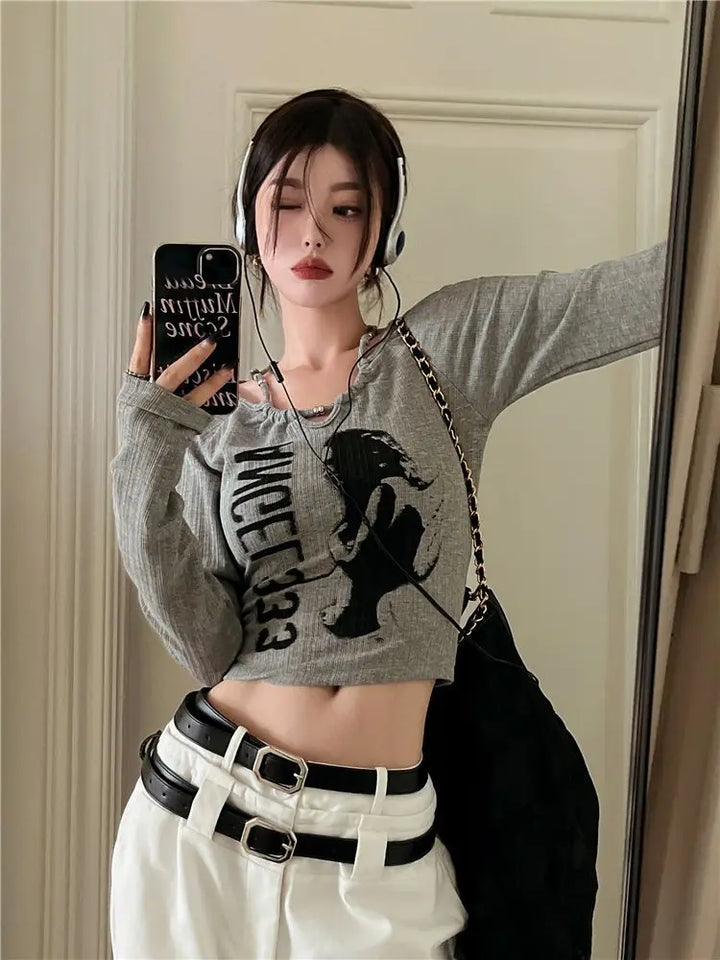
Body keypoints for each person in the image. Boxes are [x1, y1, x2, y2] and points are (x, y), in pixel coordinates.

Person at [109, 88, 666, 959]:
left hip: (376, 852)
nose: (313, 234)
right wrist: (146, 444)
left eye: (346, 208)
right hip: (200, 821)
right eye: (288, 203)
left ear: (385, 233)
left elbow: (651, 292)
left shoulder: (448, 348)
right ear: (248, 220)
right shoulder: (215, 421)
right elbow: (207, 644)